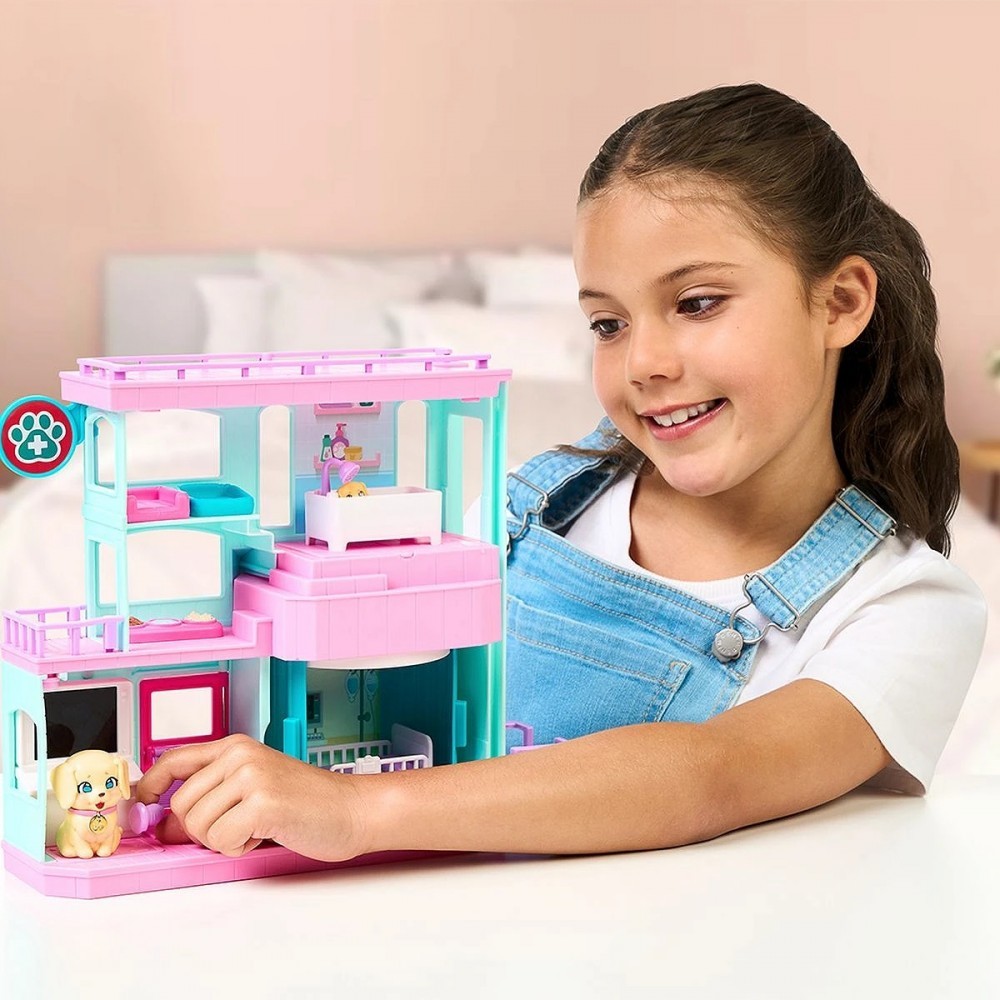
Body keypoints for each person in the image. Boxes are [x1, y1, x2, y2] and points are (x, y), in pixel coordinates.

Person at [136, 83, 987, 862]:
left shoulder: (906, 608)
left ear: (840, 302)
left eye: (696, 303)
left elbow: (712, 775)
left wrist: (358, 811)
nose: (644, 363)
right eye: (609, 324)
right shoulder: (528, 509)